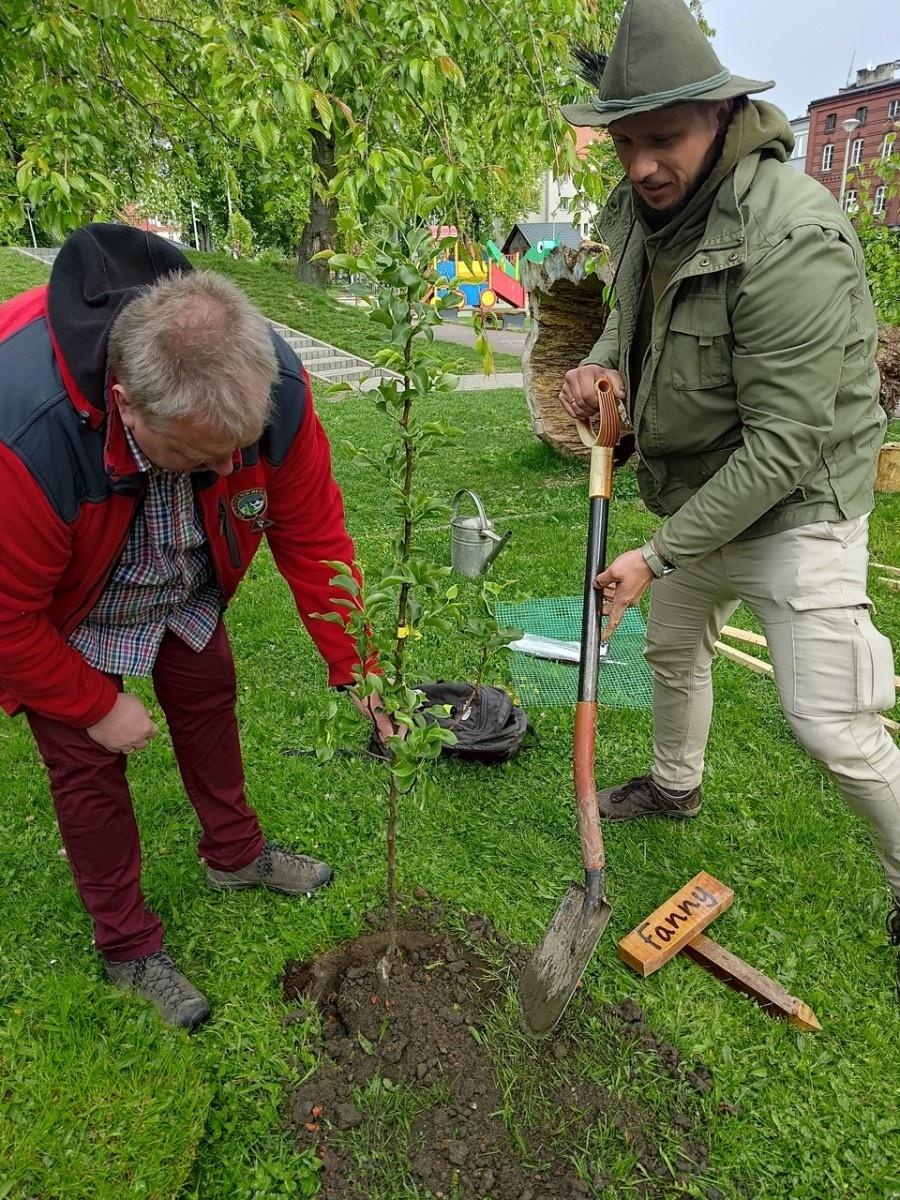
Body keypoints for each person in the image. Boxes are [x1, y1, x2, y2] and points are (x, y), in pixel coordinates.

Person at [559, 0, 900, 997]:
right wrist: (596, 368)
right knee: (672, 642)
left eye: (660, 139)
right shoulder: (638, 212)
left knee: (828, 718)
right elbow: (628, 318)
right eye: (623, 142)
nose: (639, 165)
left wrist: (655, 552)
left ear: (717, 116)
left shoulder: (794, 235)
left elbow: (788, 442)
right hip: (704, 486)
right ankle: (674, 787)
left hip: (802, 503)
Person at [0, 223, 390, 1029]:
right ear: (127, 406)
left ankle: (235, 856)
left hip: (174, 557)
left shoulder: (269, 384)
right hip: (71, 577)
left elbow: (313, 536)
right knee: (84, 754)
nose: (229, 473)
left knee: (207, 686)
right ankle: (129, 945)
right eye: (199, 456)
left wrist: (357, 666)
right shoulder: (26, 435)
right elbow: (6, 620)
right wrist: (96, 704)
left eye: (236, 451)